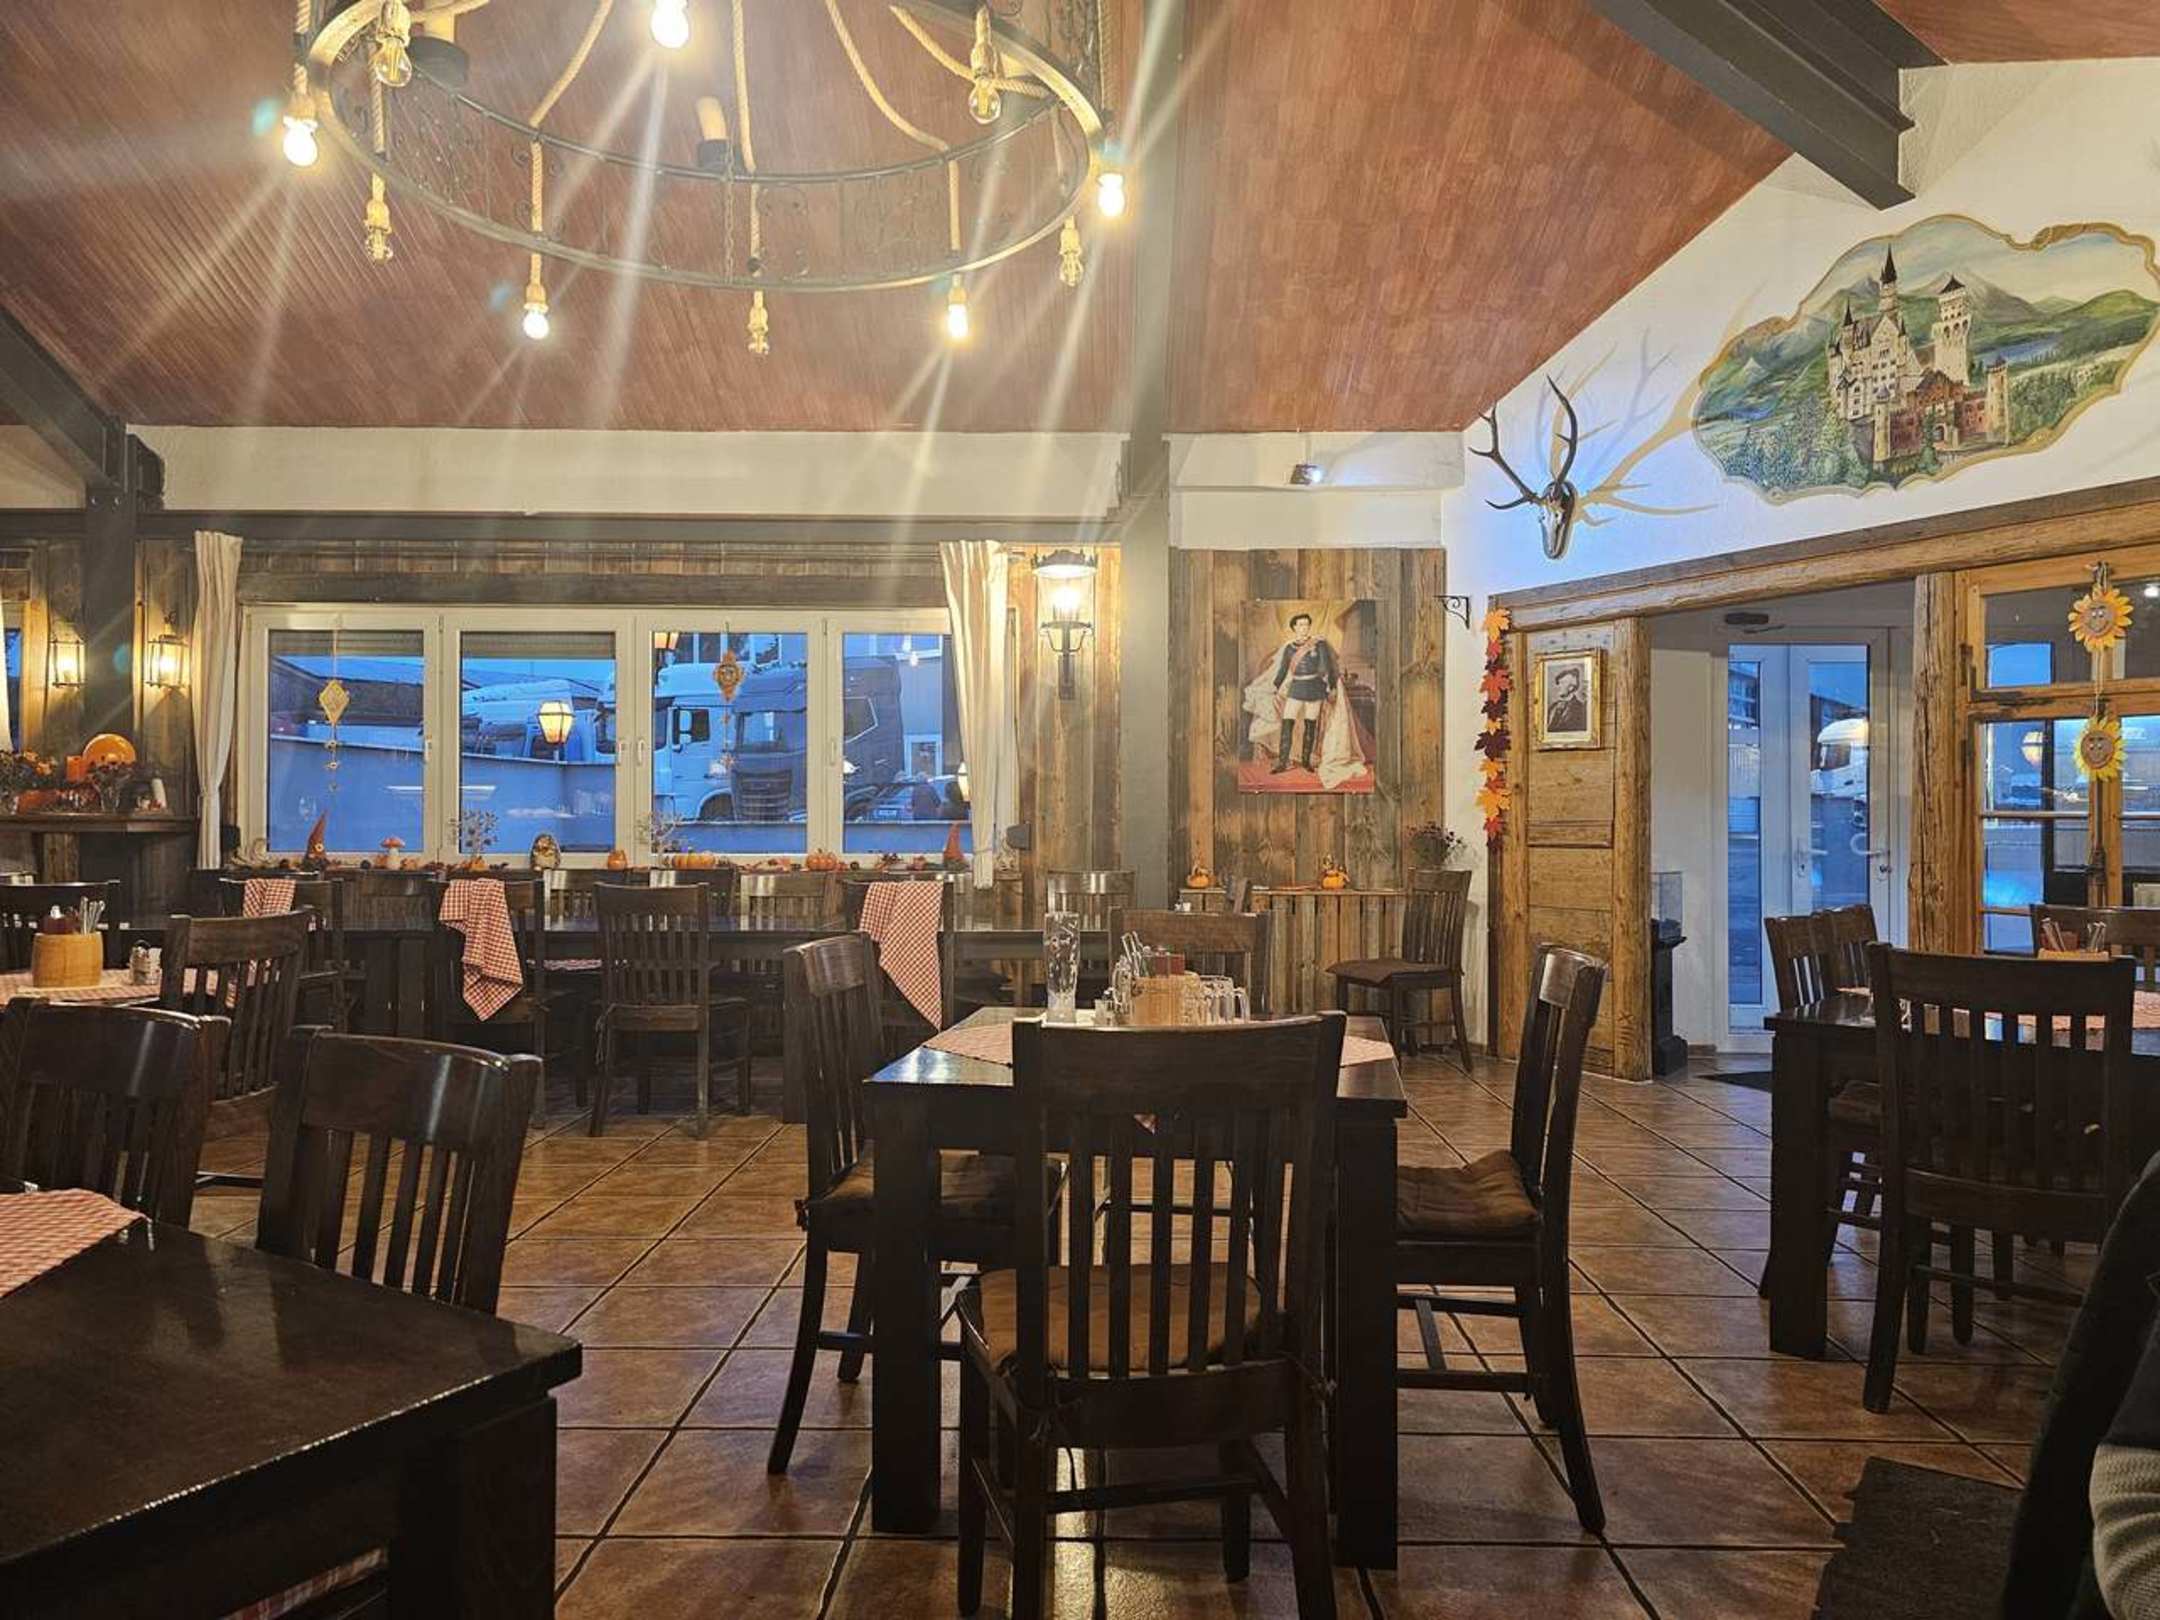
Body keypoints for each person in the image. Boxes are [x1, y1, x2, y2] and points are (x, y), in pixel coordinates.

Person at [1269, 611, 1339, 775]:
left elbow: (1327, 667)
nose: (1304, 628)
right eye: (1300, 625)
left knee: (1310, 724)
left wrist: (1331, 686)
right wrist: (1276, 685)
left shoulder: (1319, 644)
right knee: (1287, 722)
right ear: (1294, 627)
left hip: (1315, 687)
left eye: (1306, 624)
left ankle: (1306, 761)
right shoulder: (1289, 648)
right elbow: (1283, 670)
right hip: (1296, 687)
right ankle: (1283, 762)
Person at [1545, 664, 1588, 736]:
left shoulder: (1580, 708)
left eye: (1562, 683)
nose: (1558, 686)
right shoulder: (1552, 707)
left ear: (1571, 687)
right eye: (1558, 683)